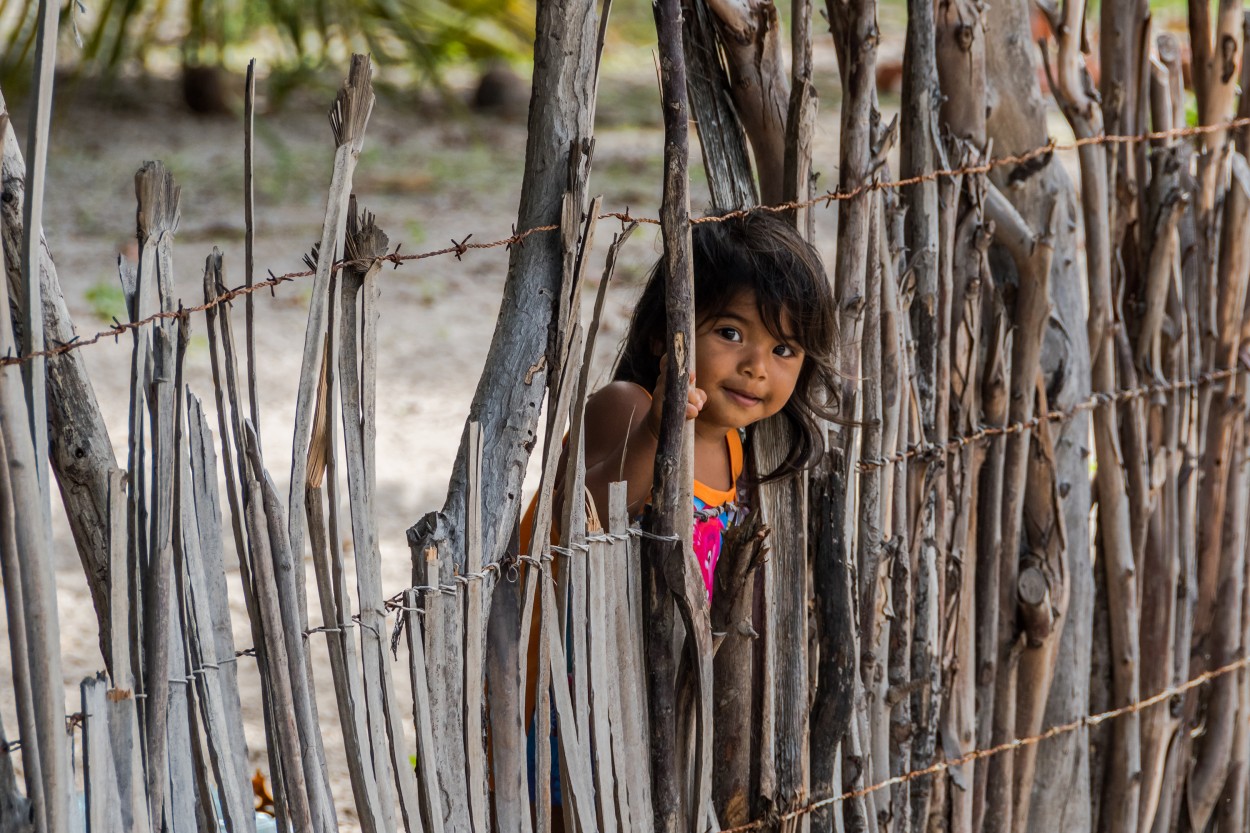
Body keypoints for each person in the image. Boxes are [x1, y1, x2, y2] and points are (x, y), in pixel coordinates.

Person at [519, 209, 839, 816]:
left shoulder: (737, 448)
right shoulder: (626, 406)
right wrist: (661, 431)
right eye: (731, 333)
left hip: (643, 693)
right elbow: (599, 504)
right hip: (567, 680)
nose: (757, 367)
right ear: (665, 335)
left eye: (784, 348)